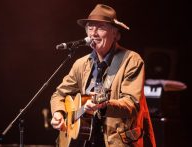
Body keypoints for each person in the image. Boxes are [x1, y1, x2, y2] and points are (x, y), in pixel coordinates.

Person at [50, 4, 156, 147]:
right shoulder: (81, 64)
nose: (93, 33)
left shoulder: (131, 60)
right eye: (90, 27)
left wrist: (104, 105)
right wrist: (58, 113)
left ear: (115, 33)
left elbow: (132, 104)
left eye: (100, 27)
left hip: (117, 142)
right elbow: (59, 95)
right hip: (85, 142)